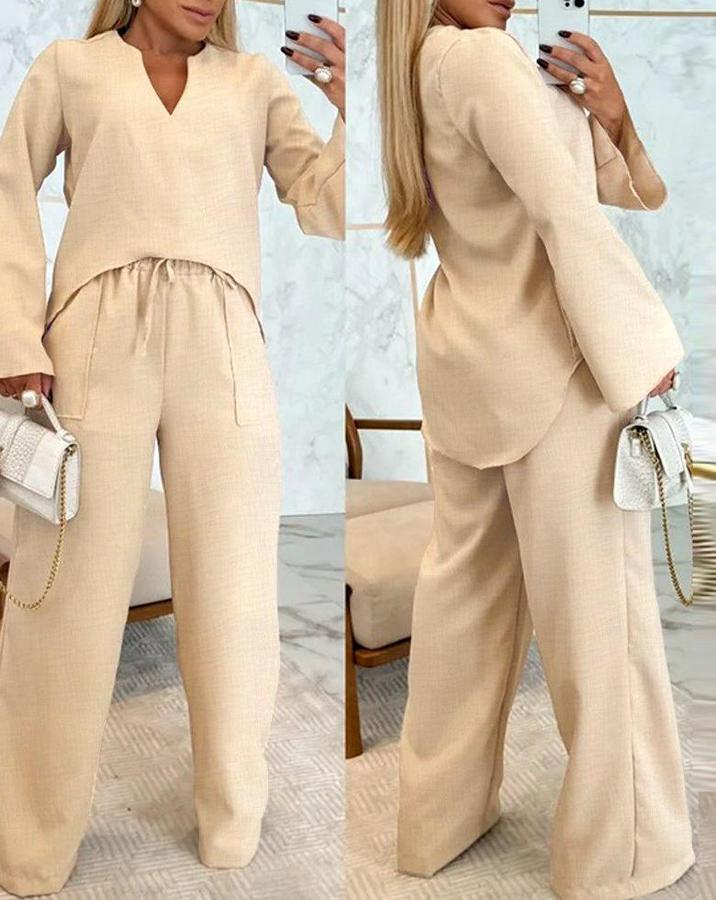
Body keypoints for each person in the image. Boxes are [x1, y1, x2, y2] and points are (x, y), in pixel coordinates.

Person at [0, 0, 345, 895]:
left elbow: (328, 207)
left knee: (235, 590)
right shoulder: (70, 68)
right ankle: (33, 842)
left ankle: (232, 820)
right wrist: (15, 340)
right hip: (93, 338)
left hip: (223, 341)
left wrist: (356, 108)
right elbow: (6, 190)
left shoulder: (255, 82)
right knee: (64, 593)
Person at [375, 1, 694, 897]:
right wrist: (639, 351)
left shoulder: (422, 63)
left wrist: (611, 117)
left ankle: (436, 822)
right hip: (555, 367)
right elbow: (563, 213)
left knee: (465, 608)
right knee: (600, 626)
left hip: (468, 364)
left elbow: (565, 191)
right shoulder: (483, 59)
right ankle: (621, 855)